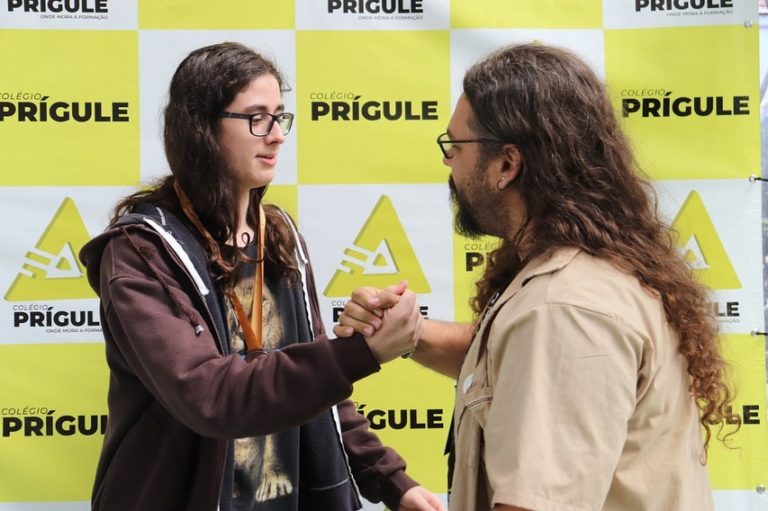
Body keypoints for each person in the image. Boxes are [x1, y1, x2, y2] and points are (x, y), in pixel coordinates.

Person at [334, 43, 737, 511]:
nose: (448, 163)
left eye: (455, 146)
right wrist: (411, 334)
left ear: (507, 164)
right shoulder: (581, 280)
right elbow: (515, 366)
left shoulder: (564, 308)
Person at [79, 42, 445, 511]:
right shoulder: (141, 250)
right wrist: (361, 352)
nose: (276, 136)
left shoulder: (279, 235)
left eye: (280, 117)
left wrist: (393, 483)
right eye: (256, 118)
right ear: (201, 130)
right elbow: (209, 396)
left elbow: (321, 391)